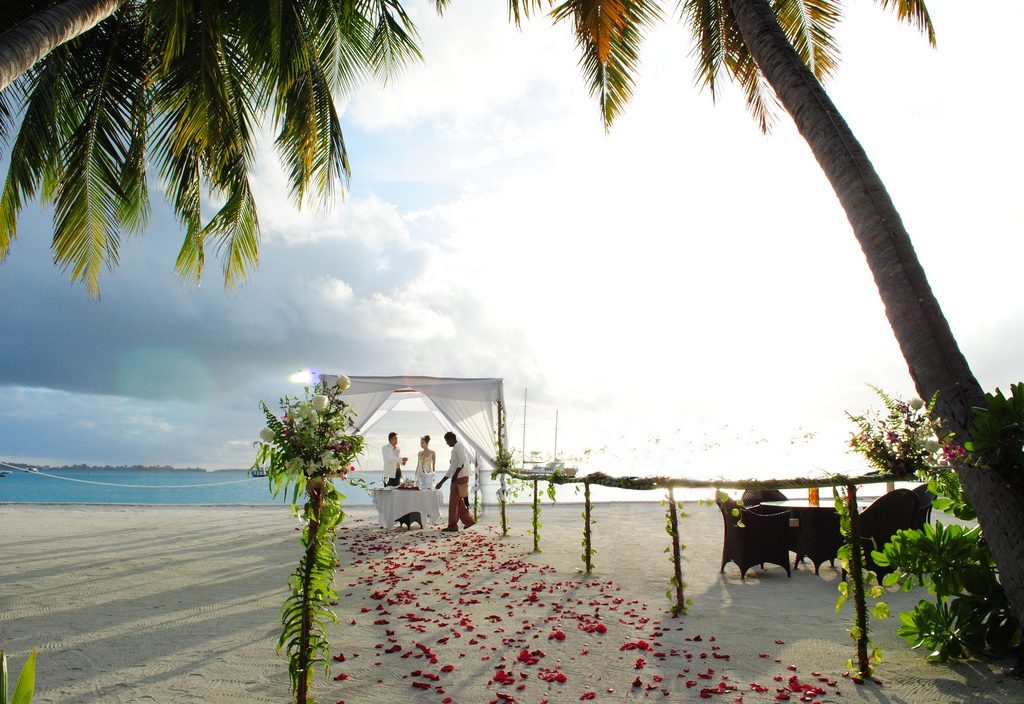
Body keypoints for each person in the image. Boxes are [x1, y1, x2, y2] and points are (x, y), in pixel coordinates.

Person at [436, 431, 474, 531]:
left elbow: (461, 461)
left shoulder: (458, 446)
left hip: (459, 477)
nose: (446, 443)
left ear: (451, 439)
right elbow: (452, 468)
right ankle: (468, 521)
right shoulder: (456, 447)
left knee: (453, 502)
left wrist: (456, 474)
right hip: (459, 476)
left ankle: (452, 526)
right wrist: (442, 482)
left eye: (447, 441)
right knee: (458, 501)